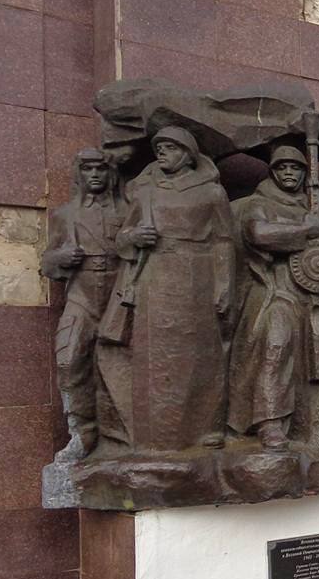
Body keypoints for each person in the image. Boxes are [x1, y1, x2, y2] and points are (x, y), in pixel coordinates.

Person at [100, 126, 234, 451]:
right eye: (159, 147)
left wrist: (224, 284)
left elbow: (224, 240)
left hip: (198, 276)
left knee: (204, 355)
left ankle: (207, 428)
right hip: (156, 277)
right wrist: (133, 238)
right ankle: (156, 434)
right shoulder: (145, 192)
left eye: (170, 147)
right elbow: (122, 237)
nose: (162, 152)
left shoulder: (212, 193)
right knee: (155, 356)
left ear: (188, 154)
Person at [227, 143, 319, 449]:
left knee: (315, 366)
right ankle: (269, 423)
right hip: (275, 291)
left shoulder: (317, 213)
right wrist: (306, 232)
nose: (289, 173)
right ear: (273, 172)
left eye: (296, 168)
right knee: (275, 348)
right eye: (283, 168)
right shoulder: (259, 204)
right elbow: (259, 234)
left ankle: (312, 430)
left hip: (313, 299)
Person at [40, 148, 125, 455]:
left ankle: (124, 435)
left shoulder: (128, 210)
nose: (94, 175)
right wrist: (62, 256)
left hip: (121, 295)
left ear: (110, 174)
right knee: (69, 357)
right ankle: (81, 432)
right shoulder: (65, 215)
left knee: (121, 366)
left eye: (100, 169)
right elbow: (47, 262)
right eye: (88, 169)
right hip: (82, 295)